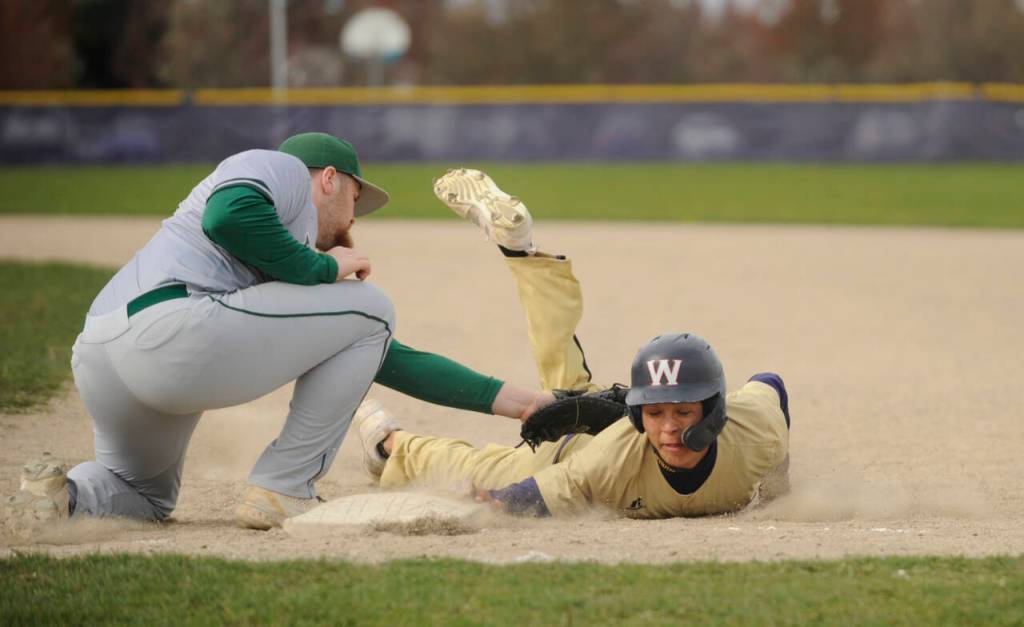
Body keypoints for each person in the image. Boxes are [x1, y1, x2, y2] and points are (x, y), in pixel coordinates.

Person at [4, 136, 548, 534]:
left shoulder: (274, 251)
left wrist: (517, 403)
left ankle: (64, 497)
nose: (352, 219)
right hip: (173, 333)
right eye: (355, 199)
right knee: (372, 306)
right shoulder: (279, 169)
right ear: (328, 179)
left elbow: (377, 351)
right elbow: (229, 215)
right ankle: (283, 488)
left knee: (142, 494)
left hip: (103, 352)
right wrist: (324, 270)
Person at [353, 168, 792, 518]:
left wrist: (777, 484)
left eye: (683, 411)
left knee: (567, 374)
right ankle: (389, 443)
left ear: (716, 412)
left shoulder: (753, 432)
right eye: (655, 412)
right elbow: (525, 497)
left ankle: (522, 252)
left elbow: (771, 386)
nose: (669, 428)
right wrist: (490, 502)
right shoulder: (608, 460)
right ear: (637, 413)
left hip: (614, 442)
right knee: (475, 468)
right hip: (567, 456)